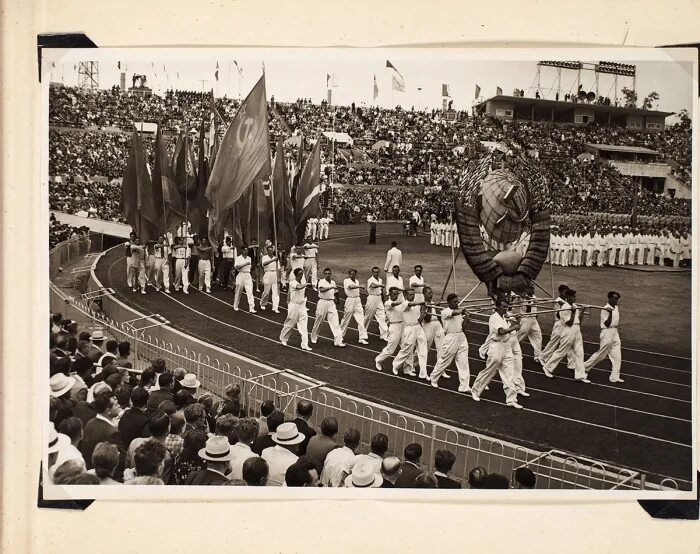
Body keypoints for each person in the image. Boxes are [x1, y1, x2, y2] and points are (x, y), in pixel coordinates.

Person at [471, 299, 522, 408]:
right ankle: (475, 390)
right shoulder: (493, 318)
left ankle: (511, 399)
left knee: (509, 373)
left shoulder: (506, 317)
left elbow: (514, 330)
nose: (505, 308)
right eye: (503, 306)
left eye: (506, 307)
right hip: (496, 346)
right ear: (497, 307)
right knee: (489, 370)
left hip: (506, 346)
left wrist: (517, 321)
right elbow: (501, 331)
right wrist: (514, 326)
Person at [542, 288, 590, 383]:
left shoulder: (574, 306)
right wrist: (573, 312)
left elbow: (578, 321)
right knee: (562, 351)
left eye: (575, 297)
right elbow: (569, 323)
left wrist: (582, 311)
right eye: (573, 297)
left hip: (577, 330)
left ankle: (580, 375)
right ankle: (547, 367)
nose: (574, 298)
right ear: (568, 297)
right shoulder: (564, 307)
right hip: (568, 330)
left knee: (579, 352)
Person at [428, 293, 470, 392]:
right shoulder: (445, 312)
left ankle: (464, 386)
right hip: (451, 337)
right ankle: (434, 378)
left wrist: (467, 318)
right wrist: (461, 311)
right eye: (454, 302)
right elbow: (454, 313)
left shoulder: (458, 312)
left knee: (463, 363)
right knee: (445, 360)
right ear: (448, 302)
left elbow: (463, 328)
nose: (456, 303)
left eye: (457, 302)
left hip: (461, 337)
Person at [584, 291, 624, 383]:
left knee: (617, 356)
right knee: (601, 355)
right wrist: (610, 313)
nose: (616, 300)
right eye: (614, 298)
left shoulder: (616, 308)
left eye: (617, 299)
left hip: (615, 332)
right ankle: (584, 367)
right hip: (607, 332)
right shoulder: (605, 309)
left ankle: (614, 377)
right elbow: (607, 323)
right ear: (609, 298)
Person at [390, 289, 425, 377]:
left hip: (418, 326)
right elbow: (410, 304)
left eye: (413, 294)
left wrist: (423, 310)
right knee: (407, 349)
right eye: (410, 295)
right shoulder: (404, 304)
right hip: (409, 328)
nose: (412, 296)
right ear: (405, 296)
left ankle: (416, 370)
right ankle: (395, 365)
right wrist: (420, 303)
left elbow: (419, 319)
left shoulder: (416, 305)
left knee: (423, 346)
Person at [261, 422, 305, 486]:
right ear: (290, 444)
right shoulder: (296, 462)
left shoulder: (265, 452)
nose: (298, 445)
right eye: (297, 443)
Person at [311, 268, 346, 347]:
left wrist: (337, 299)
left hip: (331, 303)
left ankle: (338, 341)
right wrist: (331, 287)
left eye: (329, 273)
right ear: (324, 274)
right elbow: (322, 290)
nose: (327, 275)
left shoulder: (333, 282)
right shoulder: (321, 281)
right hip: (322, 302)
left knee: (335, 322)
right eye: (326, 273)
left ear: (331, 274)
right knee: (319, 321)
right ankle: (314, 337)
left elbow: (336, 292)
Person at [280, 268, 312, 351]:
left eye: (302, 274)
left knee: (304, 326)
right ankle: (283, 338)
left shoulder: (302, 283)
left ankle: (305, 344)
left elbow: (303, 293)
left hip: (302, 306)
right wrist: (307, 284)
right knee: (290, 324)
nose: (301, 276)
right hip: (294, 306)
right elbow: (298, 287)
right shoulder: (292, 282)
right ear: (295, 275)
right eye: (299, 274)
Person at [374, 287, 405, 371]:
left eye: (397, 294)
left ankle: (406, 368)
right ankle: (378, 360)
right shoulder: (387, 303)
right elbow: (395, 304)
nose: (396, 296)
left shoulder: (399, 303)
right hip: (394, 327)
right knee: (390, 350)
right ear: (390, 294)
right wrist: (406, 302)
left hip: (402, 325)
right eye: (394, 294)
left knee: (406, 347)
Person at [340, 269, 369, 345]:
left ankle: (362, 338)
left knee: (361, 319)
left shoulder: (357, 281)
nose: (352, 275)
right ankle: (339, 336)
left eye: (354, 274)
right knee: (346, 319)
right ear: (349, 274)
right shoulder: (346, 281)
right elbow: (350, 286)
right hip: (350, 300)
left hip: (357, 300)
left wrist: (358, 285)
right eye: (351, 274)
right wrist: (359, 286)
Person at [516, 284, 543, 364]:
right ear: (526, 290)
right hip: (526, 319)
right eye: (530, 288)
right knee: (519, 337)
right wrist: (528, 300)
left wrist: (536, 314)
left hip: (533, 319)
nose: (532, 290)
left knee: (538, 337)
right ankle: (510, 350)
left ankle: (538, 356)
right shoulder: (522, 297)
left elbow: (535, 308)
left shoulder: (534, 297)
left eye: (533, 288)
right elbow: (527, 310)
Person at [363, 266, 388, 341]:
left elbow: (381, 291)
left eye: (377, 272)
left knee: (382, 317)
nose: (376, 273)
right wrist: (380, 285)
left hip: (379, 299)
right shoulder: (370, 280)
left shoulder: (380, 280)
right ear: (372, 272)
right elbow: (373, 285)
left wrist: (383, 300)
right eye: (374, 272)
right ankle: (362, 334)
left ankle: (384, 335)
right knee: (368, 317)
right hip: (372, 298)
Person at [233, 245, 257, 313]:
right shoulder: (238, 258)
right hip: (241, 275)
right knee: (238, 291)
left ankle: (251, 307)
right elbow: (236, 267)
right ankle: (236, 305)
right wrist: (245, 264)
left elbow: (250, 267)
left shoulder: (249, 258)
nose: (247, 251)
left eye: (247, 250)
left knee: (250, 292)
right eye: (245, 250)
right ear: (242, 250)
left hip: (248, 275)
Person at [259, 245, 280, 313]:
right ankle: (263, 303)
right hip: (268, 273)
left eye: (272, 250)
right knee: (266, 291)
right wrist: (272, 260)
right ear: (267, 251)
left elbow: (278, 269)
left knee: (275, 292)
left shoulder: (276, 258)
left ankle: (275, 307)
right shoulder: (264, 257)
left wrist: (279, 277)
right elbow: (264, 264)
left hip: (275, 274)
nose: (271, 252)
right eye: (269, 251)